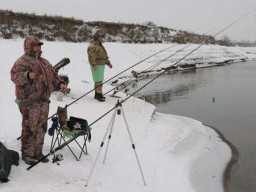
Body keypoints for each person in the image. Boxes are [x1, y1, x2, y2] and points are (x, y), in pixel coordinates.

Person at [10, 36, 69, 165]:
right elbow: (14, 77)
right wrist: (27, 75)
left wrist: (61, 84)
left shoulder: (45, 62)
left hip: (43, 100)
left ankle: (38, 152)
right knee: (30, 127)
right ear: (28, 47)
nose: (38, 47)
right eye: (35, 45)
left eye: (39, 45)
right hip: (29, 101)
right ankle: (27, 154)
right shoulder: (22, 62)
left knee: (42, 126)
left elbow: (54, 75)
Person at [87, 29, 113, 102]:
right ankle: (98, 95)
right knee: (98, 80)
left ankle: (98, 94)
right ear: (97, 37)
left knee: (100, 80)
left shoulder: (100, 45)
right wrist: (94, 65)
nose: (102, 38)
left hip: (101, 65)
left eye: (102, 37)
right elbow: (91, 57)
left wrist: (108, 63)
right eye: (100, 37)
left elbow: (104, 56)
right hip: (97, 65)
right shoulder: (92, 46)